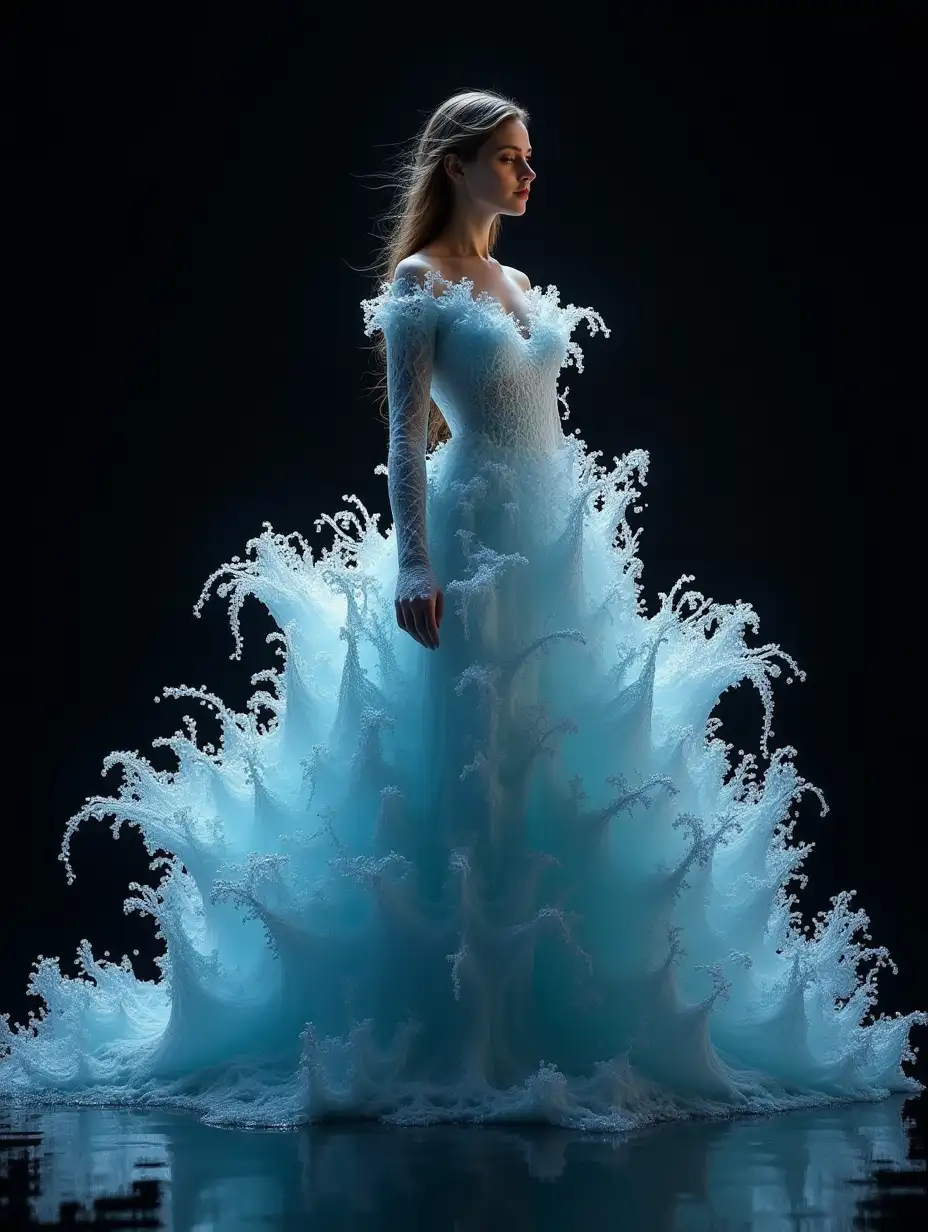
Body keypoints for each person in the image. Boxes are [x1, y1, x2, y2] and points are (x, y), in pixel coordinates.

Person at [0, 90, 922, 1131]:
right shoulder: (419, 281)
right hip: (473, 539)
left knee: (565, 758)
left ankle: (573, 1004)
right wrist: (414, 565)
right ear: (458, 165)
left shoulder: (519, 281)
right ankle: (453, 1018)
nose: (530, 176)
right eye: (512, 158)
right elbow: (402, 436)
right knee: (471, 759)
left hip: (552, 543)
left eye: (530, 158)